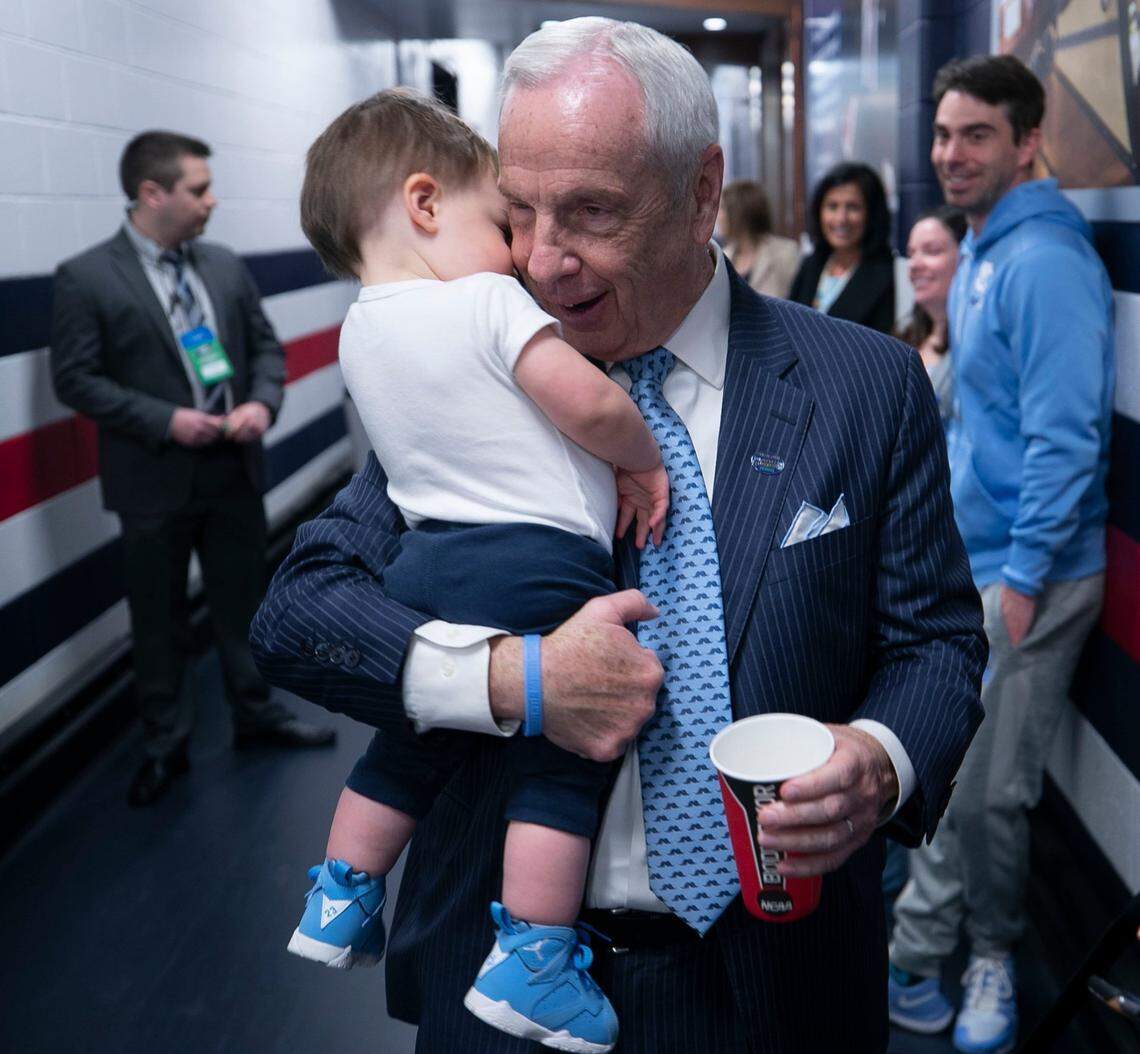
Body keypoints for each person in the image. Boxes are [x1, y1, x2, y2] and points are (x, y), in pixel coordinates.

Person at [252, 18, 986, 1052]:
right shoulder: (477, 361)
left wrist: (879, 757)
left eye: (593, 211)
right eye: (517, 210)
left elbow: (937, 645)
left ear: (700, 191)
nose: (544, 261)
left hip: (771, 984)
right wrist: (512, 679)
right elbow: (298, 612)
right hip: (496, 978)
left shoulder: (862, 387)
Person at [286, 88, 672, 1053]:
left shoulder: (359, 332)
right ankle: (536, 957)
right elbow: (578, 399)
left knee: (406, 748)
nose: (523, 254)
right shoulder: (485, 299)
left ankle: (339, 898)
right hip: (535, 562)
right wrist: (639, 455)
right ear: (426, 206)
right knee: (561, 758)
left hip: (425, 565)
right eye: (505, 221)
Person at [886, 55, 1114, 1054]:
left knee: (992, 794)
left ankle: (990, 956)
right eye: (943, 135)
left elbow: (1068, 441)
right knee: (961, 776)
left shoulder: (1046, 263)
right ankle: (921, 942)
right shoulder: (982, 252)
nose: (951, 154)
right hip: (978, 555)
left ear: (1028, 141)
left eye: (975, 134)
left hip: (1036, 571)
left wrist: (1022, 577)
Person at [50, 131, 335, 809]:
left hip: (232, 467)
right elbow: (76, 379)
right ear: (153, 193)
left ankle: (257, 714)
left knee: (245, 604)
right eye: (199, 188)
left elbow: (266, 350)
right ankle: (164, 744)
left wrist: (263, 404)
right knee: (159, 620)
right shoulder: (86, 278)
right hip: (152, 478)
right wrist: (165, 419)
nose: (212, 200)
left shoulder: (224, 266)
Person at [789, 161, 896, 333]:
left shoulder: (889, 273)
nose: (841, 219)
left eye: (853, 207)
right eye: (832, 206)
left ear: (872, 214)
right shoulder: (811, 264)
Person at [895, 205, 968, 426]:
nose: (915, 264)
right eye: (911, 253)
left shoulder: (975, 342)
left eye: (931, 251)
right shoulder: (904, 337)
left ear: (966, 257)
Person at [715, 179, 800, 298]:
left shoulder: (785, 253)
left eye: (723, 208)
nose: (718, 216)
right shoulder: (723, 257)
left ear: (740, 212)